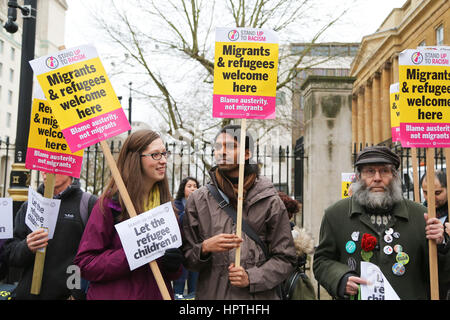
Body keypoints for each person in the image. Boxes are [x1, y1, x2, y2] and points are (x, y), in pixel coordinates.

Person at [313, 145, 450, 300]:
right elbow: (321, 262)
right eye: (370, 171)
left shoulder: (421, 215)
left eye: (384, 171)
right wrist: (340, 278)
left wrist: (442, 245)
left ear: (394, 176)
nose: (377, 178)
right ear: (358, 177)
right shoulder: (335, 215)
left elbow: (440, 276)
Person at [181, 125, 297, 299]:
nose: (222, 152)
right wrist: (205, 248)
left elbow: (286, 258)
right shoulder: (198, 200)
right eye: (218, 147)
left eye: (230, 147)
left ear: (247, 154)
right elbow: (187, 258)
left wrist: (252, 277)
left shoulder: (270, 200)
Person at [74, 129, 183, 300]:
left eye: (164, 153)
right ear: (135, 160)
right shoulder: (109, 205)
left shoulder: (167, 209)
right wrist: (134, 253)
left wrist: (173, 266)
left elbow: (171, 274)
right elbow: (85, 263)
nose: (163, 160)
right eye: (155, 155)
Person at [3, 173, 97, 300]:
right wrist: (26, 247)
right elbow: (10, 254)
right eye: (43, 168)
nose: (46, 172)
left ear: (69, 169)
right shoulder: (30, 205)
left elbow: (94, 257)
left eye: (55, 167)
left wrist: (76, 294)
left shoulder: (88, 204)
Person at [420, 170, 450, 299]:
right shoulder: (419, 213)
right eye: (426, 192)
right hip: (427, 284)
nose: (431, 198)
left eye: (437, 193)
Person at [173, 177, 200, 299]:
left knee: (194, 277)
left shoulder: (202, 205)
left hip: (195, 247)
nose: (193, 188)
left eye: (195, 186)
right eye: (189, 186)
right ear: (183, 188)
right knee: (180, 277)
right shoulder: (175, 205)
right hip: (180, 247)